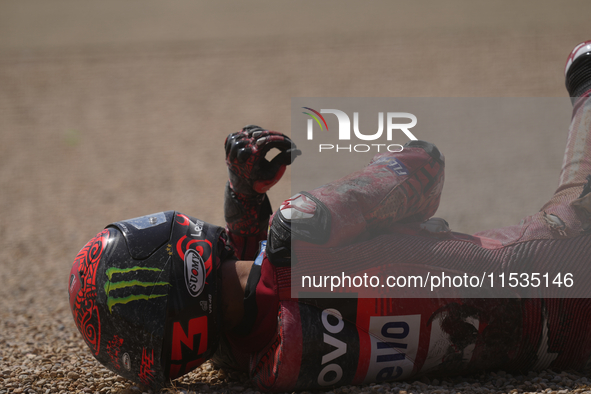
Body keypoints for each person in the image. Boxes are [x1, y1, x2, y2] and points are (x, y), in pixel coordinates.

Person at [68, 41, 591, 391]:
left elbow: (260, 291)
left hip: (553, 342)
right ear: (173, 257)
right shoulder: (301, 231)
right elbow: (423, 164)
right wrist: (324, 205)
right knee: (585, 74)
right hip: (561, 262)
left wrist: (244, 198)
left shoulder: (253, 367)